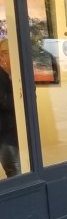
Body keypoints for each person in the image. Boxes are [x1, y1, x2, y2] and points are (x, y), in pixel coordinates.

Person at [0, 39, 21, 179]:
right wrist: (20, 101)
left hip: (19, 132)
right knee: (15, 171)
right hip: (5, 134)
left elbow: (31, 98)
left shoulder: (20, 74)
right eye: (11, 53)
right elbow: (3, 101)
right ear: (2, 56)